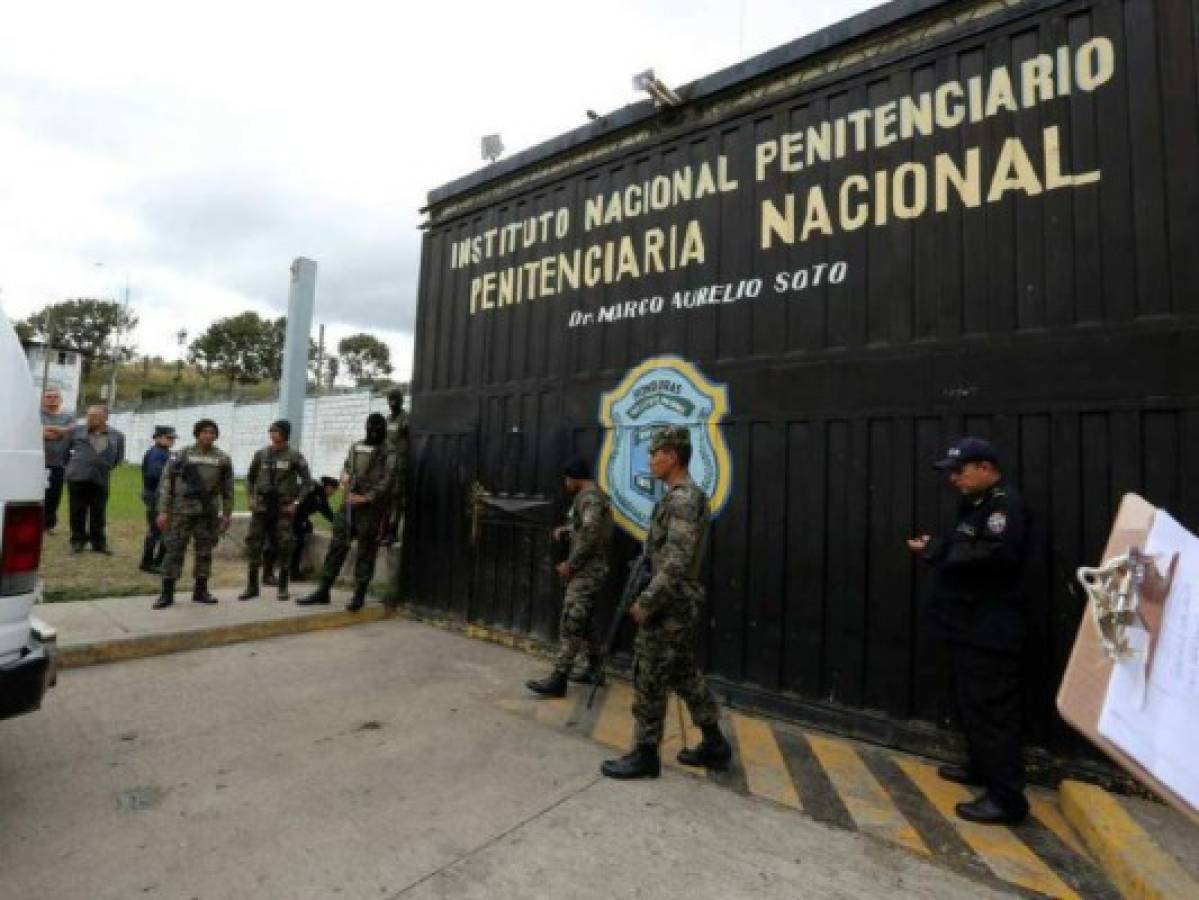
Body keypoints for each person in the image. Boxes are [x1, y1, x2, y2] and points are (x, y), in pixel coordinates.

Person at [906, 436, 1030, 826]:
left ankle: (1007, 799)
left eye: (960, 471)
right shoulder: (976, 505)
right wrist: (939, 545)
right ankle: (981, 767)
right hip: (968, 625)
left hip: (990, 630)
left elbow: (994, 556)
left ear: (985, 468)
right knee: (972, 704)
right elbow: (967, 548)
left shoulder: (1003, 506)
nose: (954, 478)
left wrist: (938, 552)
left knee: (993, 712)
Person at [601, 425, 731, 780]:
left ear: (671, 455)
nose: (650, 460)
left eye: (653, 453)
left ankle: (645, 754)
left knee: (650, 673)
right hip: (674, 601)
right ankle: (715, 743)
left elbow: (675, 560)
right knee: (683, 673)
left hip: (669, 604)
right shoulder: (677, 497)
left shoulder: (684, 499)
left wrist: (647, 601)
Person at [526, 457, 613, 696]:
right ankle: (595, 669)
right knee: (585, 621)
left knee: (571, 621)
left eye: (567, 478)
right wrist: (569, 529)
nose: (565, 483)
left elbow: (591, 534)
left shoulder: (590, 498)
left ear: (575, 478)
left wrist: (570, 565)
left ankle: (559, 678)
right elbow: (586, 528)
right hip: (590, 569)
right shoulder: (590, 496)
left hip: (587, 570)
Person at [298, 413, 394, 611]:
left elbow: (388, 480)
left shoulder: (389, 451)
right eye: (370, 428)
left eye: (377, 429)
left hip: (371, 509)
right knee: (337, 546)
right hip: (349, 506)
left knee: (366, 551)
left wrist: (366, 497)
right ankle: (323, 590)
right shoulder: (357, 446)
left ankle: (359, 595)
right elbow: (347, 466)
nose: (373, 432)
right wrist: (344, 478)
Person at [152, 419, 234, 610]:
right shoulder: (181, 455)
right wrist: (163, 510)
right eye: (205, 432)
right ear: (197, 434)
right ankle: (167, 593)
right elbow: (166, 484)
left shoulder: (222, 458)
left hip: (207, 513)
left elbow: (228, 490)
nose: (209, 435)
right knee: (174, 550)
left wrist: (226, 515)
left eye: (212, 432)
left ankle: (201, 590)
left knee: (204, 551)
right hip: (181, 511)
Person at [238, 420, 312, 602]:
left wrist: (296, 503)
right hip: (262, 507)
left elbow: (307, 483)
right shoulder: (261, 454)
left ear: (285, 434)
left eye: (276, 431)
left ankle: (283, 587)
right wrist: (250, 498)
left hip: (283, 508)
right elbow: (250, 478)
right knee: (255, 543)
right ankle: (252, 586)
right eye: (271, 431)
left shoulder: (295, 456)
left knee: (284, 545)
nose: (272, 434)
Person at [64, 403, 126, 554]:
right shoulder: (75, 431)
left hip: (101, 477)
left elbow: (118, 457)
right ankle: (78, 541)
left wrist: (104, 466)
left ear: (105, 417)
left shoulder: (117, 436)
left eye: (95, 416)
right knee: (77, 510)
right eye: (89, 415)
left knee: (99, 511)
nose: (90, 419)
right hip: (78, 477)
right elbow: (64, 452)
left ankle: (98, 542)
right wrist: (73, 467)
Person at [139, 425, 177, 573]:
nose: (172, 440)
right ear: (158, 437)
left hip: (157, 494)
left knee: (161, 530)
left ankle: (155, 561)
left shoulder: (163, 452)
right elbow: (154, 475)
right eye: (169, 437)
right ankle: (150, 562)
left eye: (172, 438)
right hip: (157, 495)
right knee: (158, 530)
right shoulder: (157, 454)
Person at [39, 388, 74, 533]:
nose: (52, 399)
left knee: (54, 495)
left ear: (60, 399)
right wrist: (60, 431)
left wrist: (49, 430)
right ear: (42, 399)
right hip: (38, 463)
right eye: (48, 397)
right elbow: (33, 430)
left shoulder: (69, 415)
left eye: (55, 397)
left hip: (59, 463)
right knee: (36, 494)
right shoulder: (35, 414)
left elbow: (72, 431)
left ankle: (49, 524)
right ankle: (36, 522)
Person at [381, 387, 409, 546]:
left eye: (395, 400)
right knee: (385, 500)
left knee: (396, 501)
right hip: (387, 467)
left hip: (400, 467)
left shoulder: (406, 418)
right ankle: (383, 531)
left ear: (401, 400)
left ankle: (392, 533)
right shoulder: (387, 419)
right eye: (390, 400)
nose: (392, 403)